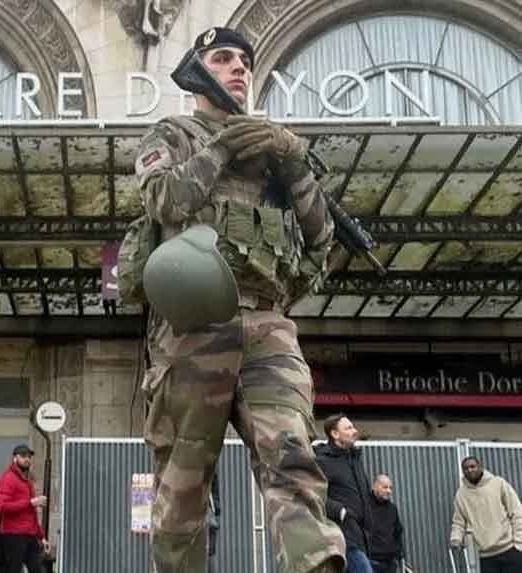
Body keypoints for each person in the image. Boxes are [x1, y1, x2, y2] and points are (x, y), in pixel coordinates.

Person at [135, 26, 344, 573]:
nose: (239, 69)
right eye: (223, 58)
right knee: (183, 484)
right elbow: (164, 199)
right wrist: (224, 146)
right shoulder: (174, 133)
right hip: (192, 322)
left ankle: (316, 565)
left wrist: (294, 162)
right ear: (197, 70)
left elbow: (320, 239)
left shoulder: (275, 152)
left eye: (246, 62)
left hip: (268, 323)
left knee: (293, 459)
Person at [315, 415, 373, 573]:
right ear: (334, 434)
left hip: (361, 538)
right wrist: (341, 512)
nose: (355, 431)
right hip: (341, 537)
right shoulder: (323, 461)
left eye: (353, 427)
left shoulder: (355, 460)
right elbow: (313, 496)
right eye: (348, 428)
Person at [450, 456, 522, 573]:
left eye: (473, 466)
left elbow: (516, 512)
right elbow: (459, 522)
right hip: (486, 555)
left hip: (509, 549)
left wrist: (519, 542)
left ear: (481, 467)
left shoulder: (498, 483)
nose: (470, 470)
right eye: (466, 468)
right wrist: (456, 539)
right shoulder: (461, 495)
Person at [0, 444, 49, 573]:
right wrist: (30, 502)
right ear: (15, 458)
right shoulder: (8, 478)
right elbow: (2, 507)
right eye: (23, 456)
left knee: (38, 569)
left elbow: (31, 514)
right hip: (14, 535)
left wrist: (42, 537)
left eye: (29, 456)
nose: (27, 459)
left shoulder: (27, 481)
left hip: (30, 535)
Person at [367, 474, 404, 573]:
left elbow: (398, 532)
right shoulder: (365, 506)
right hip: (371, 562)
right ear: (375, 487)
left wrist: (399, 554)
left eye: (390, 488)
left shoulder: (392, 509)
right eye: (385, 487)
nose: (389, 491)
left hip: (390, 564)